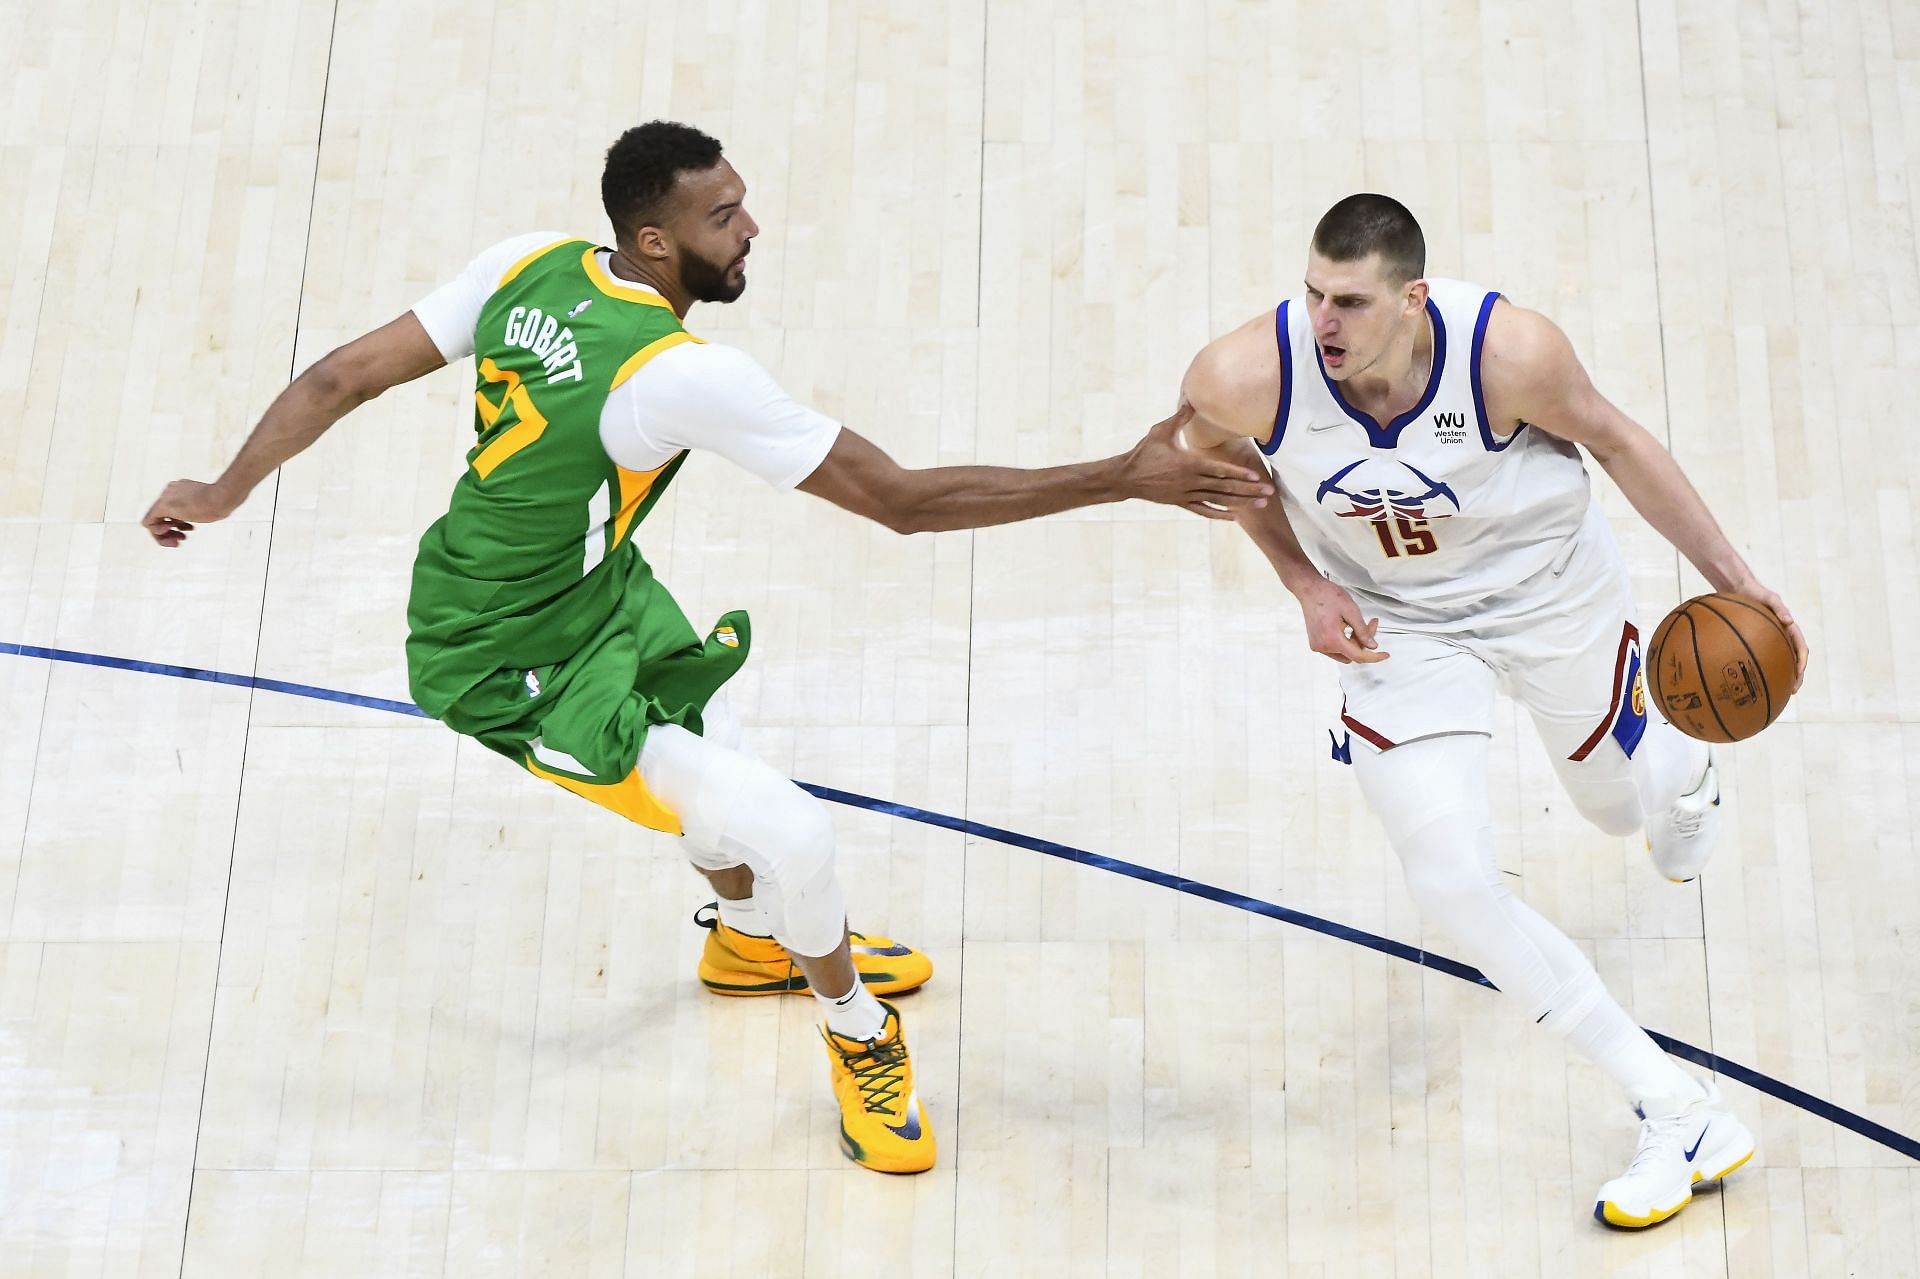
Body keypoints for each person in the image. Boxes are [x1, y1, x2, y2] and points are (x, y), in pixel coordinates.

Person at [142, 120, 1276, 1175]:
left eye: (741, 204)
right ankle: (859, 1035)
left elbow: (343, 373)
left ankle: (744, 943)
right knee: (794, 830)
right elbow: (900, 502)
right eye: (723, 216)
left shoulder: (529, 264)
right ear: (654, 239)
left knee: (713, 745)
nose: (750, 229)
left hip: (583, 592)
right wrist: (1122, 477)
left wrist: (224, 487)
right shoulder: (680, 373)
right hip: (507, 664)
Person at [1175, 193, 1809, 1228]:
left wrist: (1736, 579)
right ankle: (1678, 1108)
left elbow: (1621, 443)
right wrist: (1301, 580)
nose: (1324, 322)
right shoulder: (1249, 373)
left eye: (1350, 301)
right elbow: (1194, 453)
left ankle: (1682, 772)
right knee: (1455, 885)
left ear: (1413, 298)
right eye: (1313, 295)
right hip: (1398, 629)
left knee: (1614, 811)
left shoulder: (1509, 354)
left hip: (1550, 591)